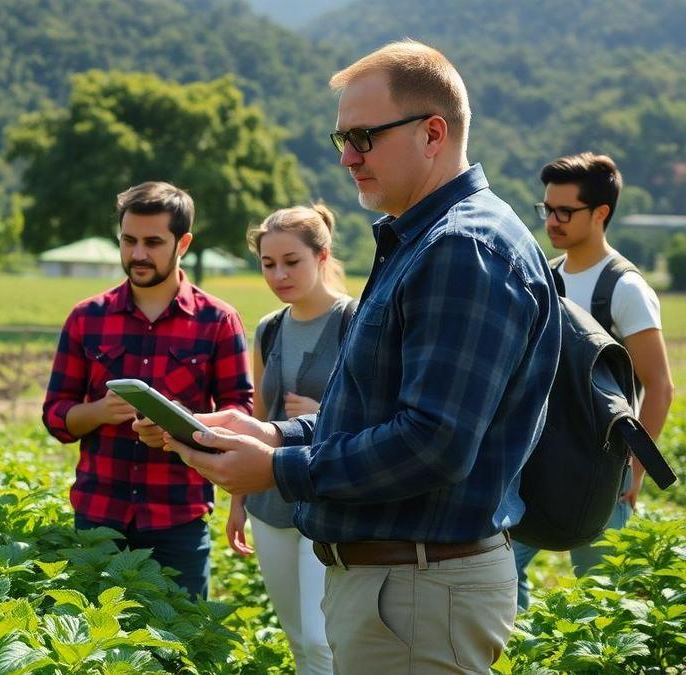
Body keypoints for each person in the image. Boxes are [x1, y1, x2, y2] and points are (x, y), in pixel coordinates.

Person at [162, 40, 561, 673]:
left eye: (364, 137)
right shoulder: (423, 239)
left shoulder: (463, 248)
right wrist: (272, 432)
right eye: (341, 138)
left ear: (433, 133)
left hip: (418, 590)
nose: (347, 156)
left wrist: (280, 469)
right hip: (403, 588)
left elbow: (434, 441)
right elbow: (374, 408)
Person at [42, 180, 254, 599]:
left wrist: (181, 428)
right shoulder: (87, 318)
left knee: (180, 650)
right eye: (129, 240)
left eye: (153, 242)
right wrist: (100, 411)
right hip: (98, 521)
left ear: (184, 243)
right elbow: (56, 417)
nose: (138, 254)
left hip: (177, 520)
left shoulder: (218, 321)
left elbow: (240, 416)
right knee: (92, 651)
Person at [512, 152, 674, 609]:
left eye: (566, 211)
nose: (553, 221)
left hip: (602, 468)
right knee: (500, 579)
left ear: (600, 213)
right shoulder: (544, 277)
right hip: (535, 461)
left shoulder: (624, 288)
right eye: (547, 209)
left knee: (602, 602)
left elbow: (659, 386)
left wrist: (635, 470)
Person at [228, 204, 351, 675]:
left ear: (321, 256)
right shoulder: (269, 328)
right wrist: (239, 499)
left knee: (324, 641)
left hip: (328, 497)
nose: (279, 274)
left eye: (291, 261)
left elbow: (377, 411)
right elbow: (259, 415)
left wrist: (324, 416)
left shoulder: (355, 321)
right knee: (298, 638)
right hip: (269, 498)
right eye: (268, 263)